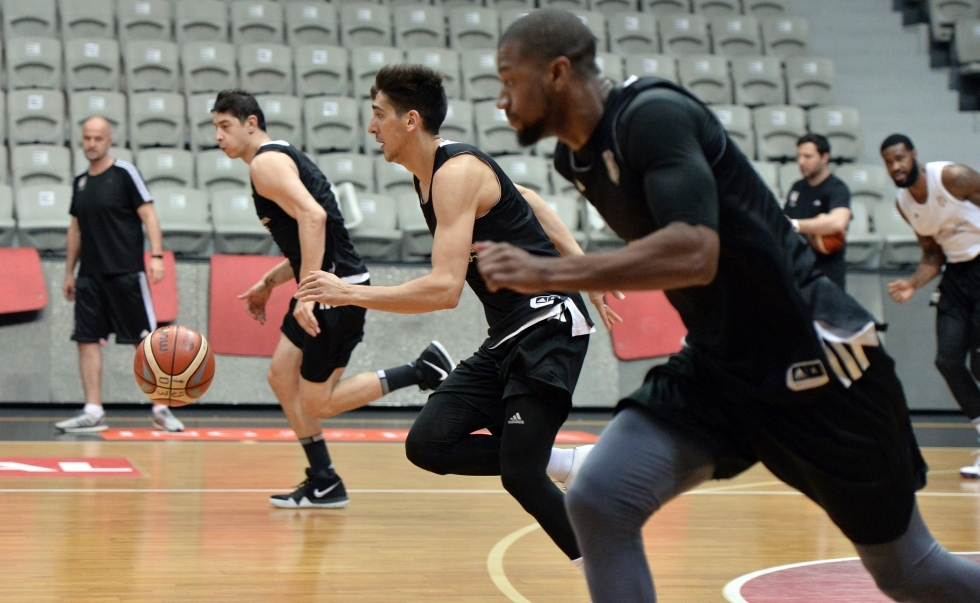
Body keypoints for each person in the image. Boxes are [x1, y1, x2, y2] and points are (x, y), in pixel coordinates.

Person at [475, 9, 980, 603]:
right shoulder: (576, 160)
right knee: (599, 499)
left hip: (815, 357)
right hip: (721, 365)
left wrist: (551, 272)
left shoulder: (652, 115)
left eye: (509, 80)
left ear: (558, 73)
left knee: (911, 572)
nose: (502, 101)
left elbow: (695, 252)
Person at [293, 64, 621, 566]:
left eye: (378, 114)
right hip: (507, 334)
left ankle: (608, 572)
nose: (371, 126)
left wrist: (351, 293)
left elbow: (445, 290)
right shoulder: (429, 177)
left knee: (522, 476)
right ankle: (566, 461)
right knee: (428, 445)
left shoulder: (456, 172)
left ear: (410, 121)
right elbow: (530, 200)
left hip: (547, 324)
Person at [211, 89, 455, 509]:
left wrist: (306, 293)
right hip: (325, 284)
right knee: (281, 376)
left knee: (318, 401)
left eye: (224, 126)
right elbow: (311, 236)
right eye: (215, 127)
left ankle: (421, 370)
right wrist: (271, 282)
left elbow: (314, 218)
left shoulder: (266, 164)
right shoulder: (276, 157)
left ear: (251, 124)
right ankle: (323, 480)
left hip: (335, 292)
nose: (218, 136)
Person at [56, 116, 184, 434]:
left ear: (109, 140)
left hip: (126, 273)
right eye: (87, 138)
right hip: (90, 275)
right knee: (86, 340)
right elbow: (75, 229)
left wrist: (156, 256)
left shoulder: (125, 173)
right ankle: (93, 411)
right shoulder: (80, 182)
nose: (92, 144)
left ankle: (161, 409)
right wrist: (69, 272)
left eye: (98, 138)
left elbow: (149, 216)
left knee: (143, 341)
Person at [880, 133, 980, 480]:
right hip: (957, 275)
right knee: (948, 361)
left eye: (900, 158)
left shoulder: (952, 177)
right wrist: (912, 283)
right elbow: (932, 255)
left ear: (914, 155)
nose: (896, 167)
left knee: (979, 364)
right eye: (889, 162)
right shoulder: (904, 204)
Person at [783, 133, 851, 289]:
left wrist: (795, 225)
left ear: (824, 158)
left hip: (826, 275)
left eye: (808, 157)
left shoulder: (837, 188)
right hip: (797, 271)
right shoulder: (797, 187)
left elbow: (838, 223)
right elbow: (784, 219)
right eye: (799, 156)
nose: (801, 162)